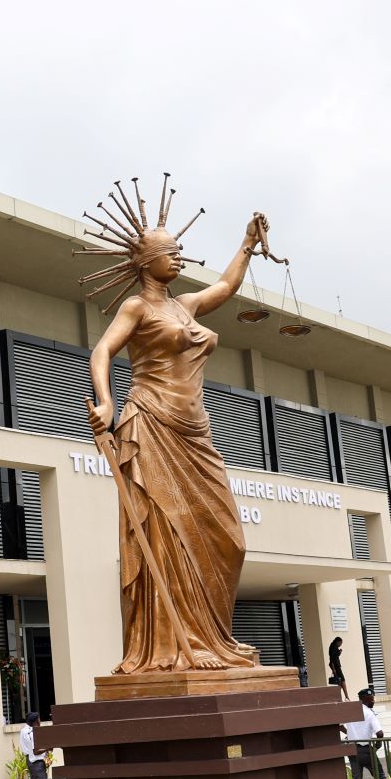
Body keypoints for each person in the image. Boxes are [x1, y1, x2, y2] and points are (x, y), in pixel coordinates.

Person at [86, 200, 281, 674]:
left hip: (194, 432)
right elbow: (103, 350)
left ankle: (213, 637)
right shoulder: (136, 306)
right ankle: (178, 646)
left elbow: (226, 286)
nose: (177, 258)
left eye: (179, 250)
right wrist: (106, 403)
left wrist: (248, 244)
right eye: (168, 251)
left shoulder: (184, 304)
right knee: (167, 534)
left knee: (227, 538)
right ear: (143, 261)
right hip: (151, 423)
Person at [341, 686, 386, 779]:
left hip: (352, 749)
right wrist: (378, 744)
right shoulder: (369, 713)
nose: (373, 701)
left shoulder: (350, 711)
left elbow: (339, 725)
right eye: (371, 699)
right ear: (364, 699)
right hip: (366, 749)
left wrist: (349, 733)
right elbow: (380, 733)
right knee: (380, 778)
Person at [19, 711, 51, 779]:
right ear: (36, 721)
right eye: (39, 719)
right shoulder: (32, 733)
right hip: (37, 763)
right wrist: (48, 748)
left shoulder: (23, 731)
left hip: (30, 761)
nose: (40, 722)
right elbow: (36, 751)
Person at [328, 635, 349, 700]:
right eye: (340, 643)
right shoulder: (333, 646)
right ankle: (346, 696)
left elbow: (335, 656)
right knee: (342, 680)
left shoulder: (334, 646)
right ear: (338, 642)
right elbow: (332, 658)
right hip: (336, 666)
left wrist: (339, 652)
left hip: (335, 666)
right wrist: (333, 669)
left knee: (339, 682)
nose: (340, 645)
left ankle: (341, 697)